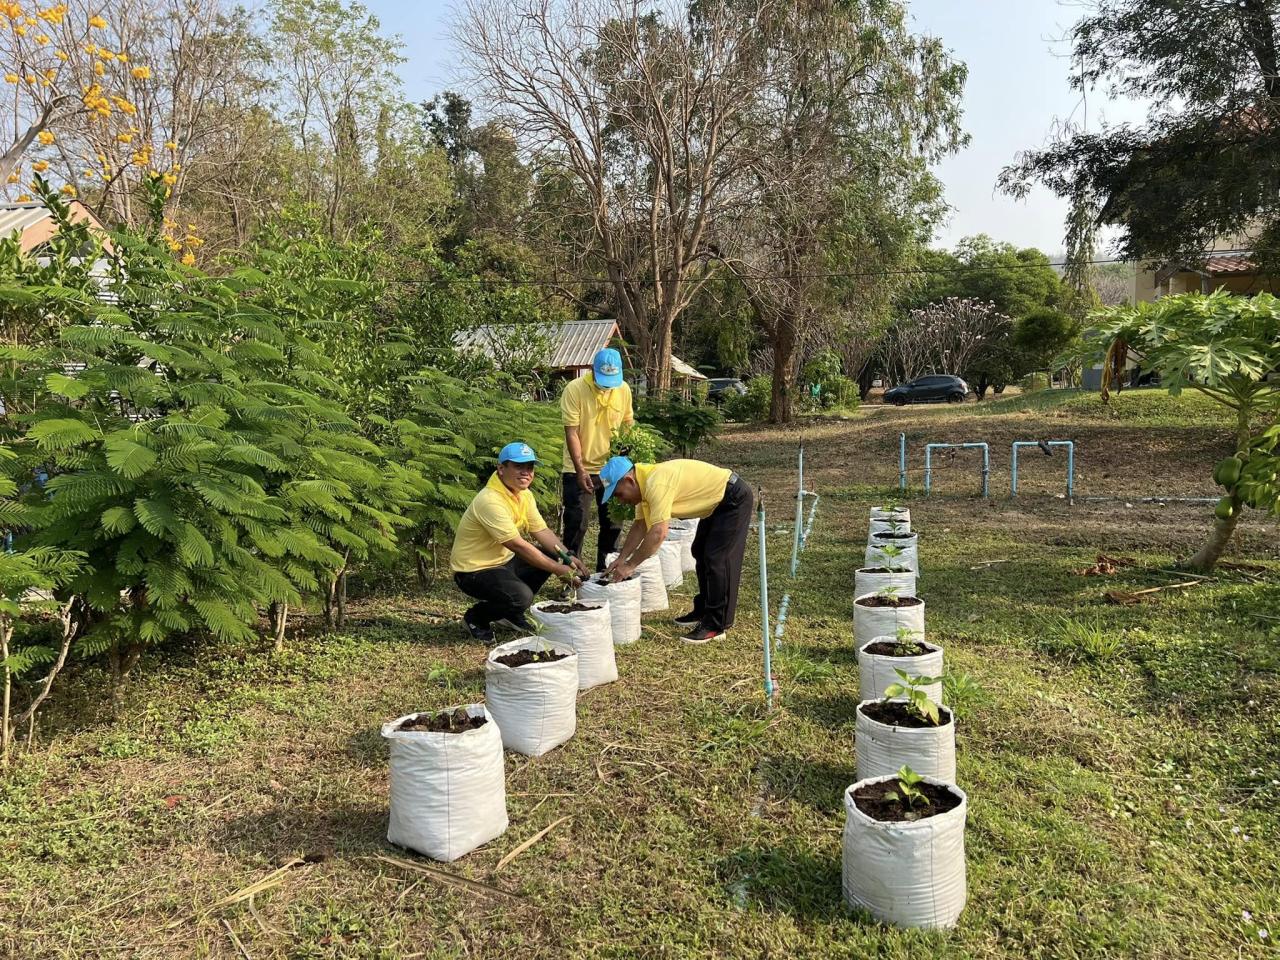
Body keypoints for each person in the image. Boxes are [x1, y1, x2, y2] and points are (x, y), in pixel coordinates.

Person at [599, 455, 753, 644]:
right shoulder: (644, 484)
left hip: (732, 498)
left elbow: (658, 533)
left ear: (629, 481)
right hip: (716, 503)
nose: (621, 501)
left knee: (717, 559)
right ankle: (705, 610)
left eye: (618, 494)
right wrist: (622, 558)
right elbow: (640, 526)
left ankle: (716, 624)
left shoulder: (656, 483)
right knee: (699, 551)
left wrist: (630, 565)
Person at [451, 441, 589, 643]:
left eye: (530, 467)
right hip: (473, 570)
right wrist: (559, 570)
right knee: (521, 597)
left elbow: (541, 530)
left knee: (551, 553)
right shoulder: (490, 500)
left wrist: (567, 557)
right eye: (518, 466)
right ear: (501, 469)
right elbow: (517, 544)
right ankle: (476, 618)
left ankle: (509, 614)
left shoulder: (524, 495)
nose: (526, 472)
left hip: (502, 562)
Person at [561, 347, 634, 571]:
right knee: (577, 523)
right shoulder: (574, 389)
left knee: (612, 523)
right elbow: (571, 432)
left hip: (612, 469)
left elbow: (628, 425)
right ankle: (572, 576)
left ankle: (606, 572)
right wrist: (581, 469)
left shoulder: (623, 389)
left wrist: (627, 454)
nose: (607, 385)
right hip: (578, 468)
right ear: (592, 371)